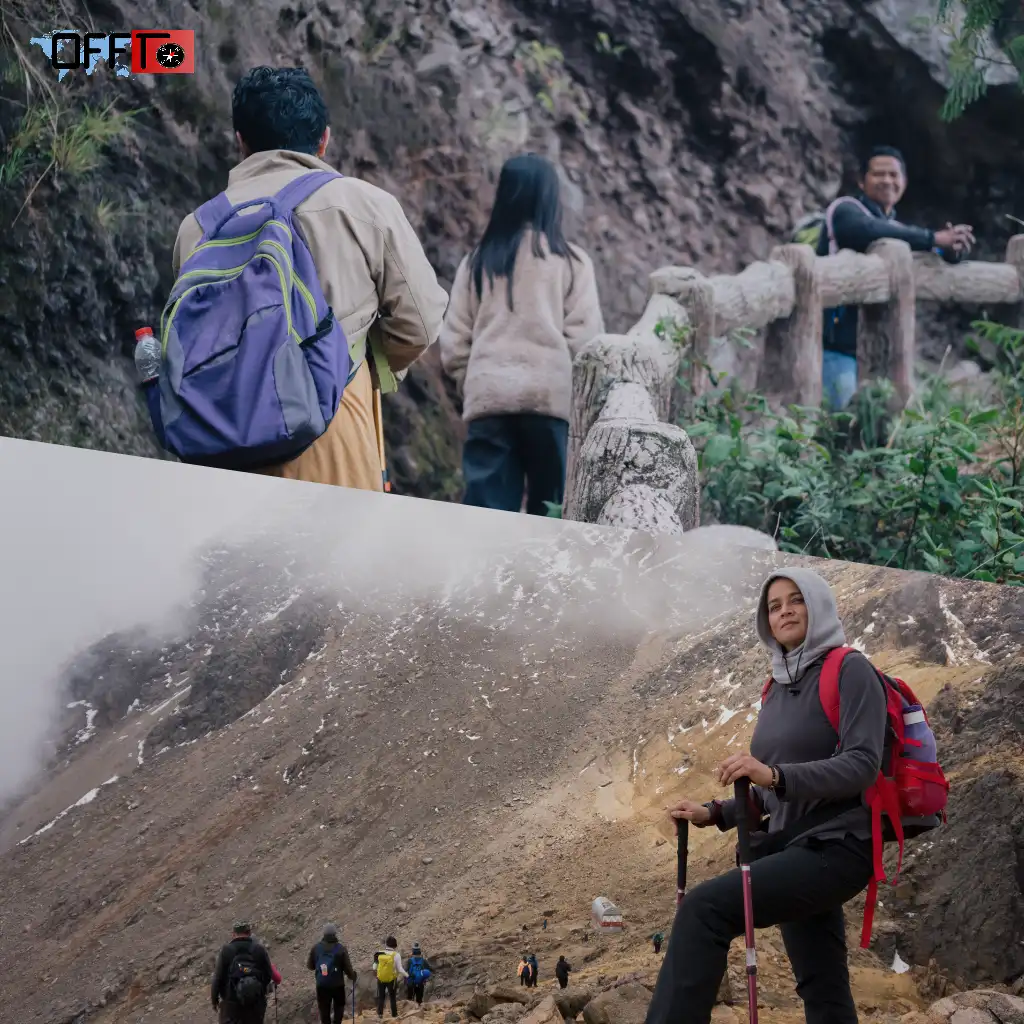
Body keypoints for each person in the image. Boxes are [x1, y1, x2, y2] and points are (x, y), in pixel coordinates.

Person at [171, 66, 448, 491]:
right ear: (324, 140)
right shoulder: (362, 205)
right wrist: (358, 362)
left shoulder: (197, 227)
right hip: (331, 428)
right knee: (339, 557)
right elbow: (421, 321)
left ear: (240, 141)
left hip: (221, 444)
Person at [644, 567, 887, 1024]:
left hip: (839, 847)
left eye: (795, 600)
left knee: (704, 910)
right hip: (791, 846)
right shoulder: (774, 688)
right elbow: (777, 798)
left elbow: (861, 766)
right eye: (774, 606)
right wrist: (712, 813)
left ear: (818, 605)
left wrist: (772, 773)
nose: (785, 611)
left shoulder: (850, 670)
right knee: (823, 986)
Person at [439, 153, 604, 515]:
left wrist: (474, 380)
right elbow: (586, 341)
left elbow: (454, 341)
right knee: (554, 512)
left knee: (486, 514)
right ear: (550, 198)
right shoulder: (572, 262)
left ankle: (486, 573)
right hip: (551, 400)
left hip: (489, 400)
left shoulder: (478, 261)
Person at [815, 145, 975, 410]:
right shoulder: (844, 210)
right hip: (837, 349)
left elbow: (933, 251)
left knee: (881, 428)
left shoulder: (900, 232)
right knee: (841, 426)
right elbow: (865, 230)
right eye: (878, 174)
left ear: (904, 182)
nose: (887, 180)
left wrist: (953, 249)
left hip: (881, 354)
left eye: (893, 174)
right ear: (861, 181)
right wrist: (932, 238)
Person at [211, 921, 275, 1023]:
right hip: (255, 1004)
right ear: (249, 932)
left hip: (231, 1006)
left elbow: (217, 978)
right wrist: (259, 991)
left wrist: (214, 1000)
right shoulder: (259, 949)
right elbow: (268, 974)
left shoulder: (226, 951)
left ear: (233, 934)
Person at [307, 923, 357, 1024]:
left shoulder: (316, 948)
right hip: (338, 985)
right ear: (335, 934)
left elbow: (310, 966)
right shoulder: (341, 948)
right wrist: (353, 976)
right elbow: (348, 969)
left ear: (323, 934)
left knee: (324, 1010)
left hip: (322, 985)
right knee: (339, 1007)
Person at [373, 936, 407, 1020]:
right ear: (395, 945)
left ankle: (380, 1014)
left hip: (380, 978)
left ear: (386, 944)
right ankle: (394, 1015)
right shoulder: (396, 955)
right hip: (392, 979)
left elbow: (374, 967)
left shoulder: (379, 953)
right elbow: (400, 969)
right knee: (392, 997)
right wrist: (407, 975)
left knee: (381, 996)